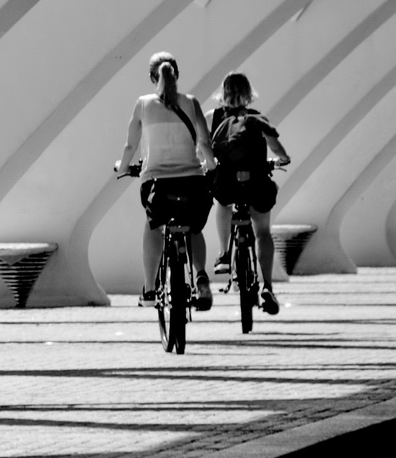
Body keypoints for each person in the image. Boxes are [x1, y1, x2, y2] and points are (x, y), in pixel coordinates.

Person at [116, 52, 216, 310]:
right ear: (177, 75)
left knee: (153, 225)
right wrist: (211, 166)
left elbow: (130, 144)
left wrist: (123, 167)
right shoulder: (191, 102)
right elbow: (205, 142)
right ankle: (202, 277)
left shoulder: (143, 104)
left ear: (152, 77)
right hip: (192, 180)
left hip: (157, 182)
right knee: (194, 227)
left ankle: (150, 289)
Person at [208, 71, 291, 315]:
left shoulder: (212, 117)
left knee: (222, 203)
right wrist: (282, 159)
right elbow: (275, 145)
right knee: (263, 232)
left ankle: (224, 254)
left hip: (227, 181)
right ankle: (267, 286)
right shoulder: (257, 117)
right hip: (256, 181)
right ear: (248, 94)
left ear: (222, 94)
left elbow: (202, 145)